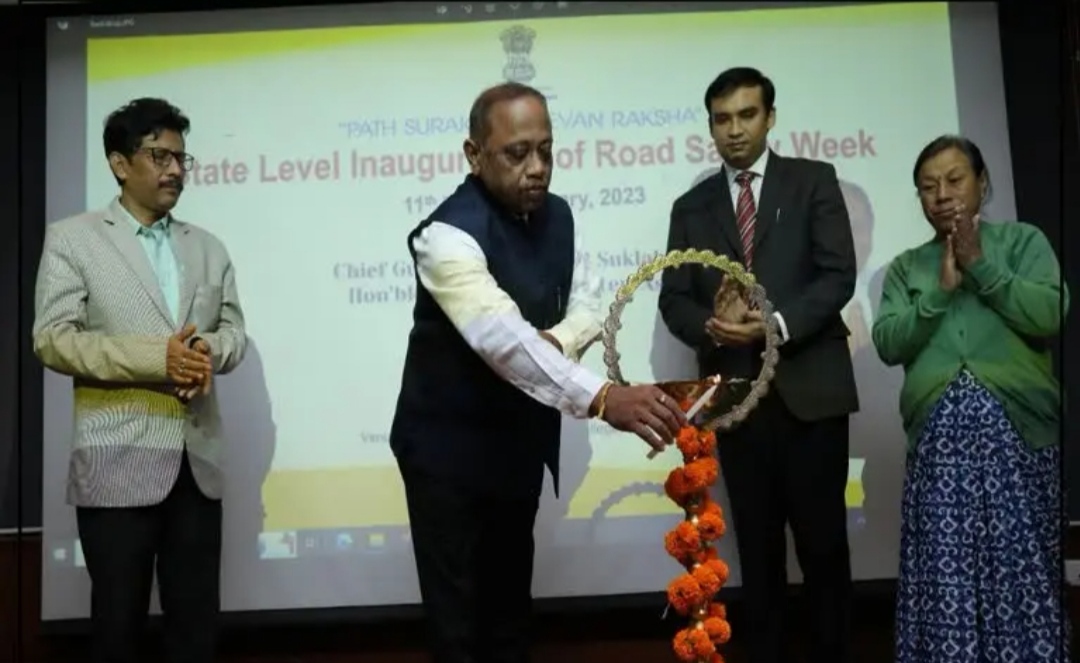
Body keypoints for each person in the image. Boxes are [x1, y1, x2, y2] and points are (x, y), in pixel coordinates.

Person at [389, 82, 686, 663]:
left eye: (546, 150)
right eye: (517, 153)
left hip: (516, 446)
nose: (537, 167)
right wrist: (603, 397)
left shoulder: (562, 217)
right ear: (474, 155)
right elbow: (501, 341)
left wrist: (552, 342)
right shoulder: (444, 236)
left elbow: (588, 305)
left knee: (509, 616)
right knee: (457, 626)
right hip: (446, 458)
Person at [33, 98, 247, 663]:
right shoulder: (73, 239)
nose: (175, 170)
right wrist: (160, 360)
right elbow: (53, 338)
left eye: (181, 158)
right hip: (116, 463)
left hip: (196, 468)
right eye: (160, 156)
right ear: (120, 164)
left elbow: (233, 332)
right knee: (117, 631)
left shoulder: (208, 246)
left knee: (197, 633)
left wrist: (204, 353)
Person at [658, 67, 858, 663]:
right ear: (710, 127)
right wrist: (712, 327)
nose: (735, 130)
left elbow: (837, 276)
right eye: (722, 119)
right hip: (739, 402)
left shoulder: (813, 181)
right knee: (757, 550)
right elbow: (674, 299)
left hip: (810, 393)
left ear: (770, 118)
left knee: (824, 547)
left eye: (747, 115)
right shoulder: (691, 207)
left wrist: (772, 325)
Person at [872, 135, 1068, 662]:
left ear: (982, 182)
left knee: (1023, 569)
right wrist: (938, 291)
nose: (942, 194)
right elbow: (888, 342)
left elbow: (1050, 314)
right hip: (939, 452)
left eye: (955, 180)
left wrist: (981, 266)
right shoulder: (906, 267)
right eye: (928, 186)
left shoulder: (1023, 243)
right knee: (946, 575)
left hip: (1021, 440)